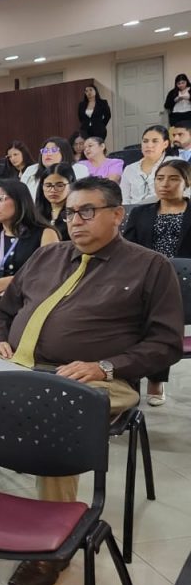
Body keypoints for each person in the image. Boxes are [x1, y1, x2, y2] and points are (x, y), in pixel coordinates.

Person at [0, 177, 183, 585]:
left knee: (58, 411)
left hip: (98, 381)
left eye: (87, 211)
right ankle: (28, 397)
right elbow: (4, 311)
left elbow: (166, 343)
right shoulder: (47, 255)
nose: (76, 220)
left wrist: (104, 366)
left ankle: (51, 548)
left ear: (117, 215)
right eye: (70, 213)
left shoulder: (149, 266)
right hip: (20, 367)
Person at [123, 159, 191, 406]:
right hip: (146, 278)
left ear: (186, 182)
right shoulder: (140, 213)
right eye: (160, 178)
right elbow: (127, 248)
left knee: (164, 328)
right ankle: (129, 377)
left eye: (173, 179)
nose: (165, 184)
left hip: (185, 283)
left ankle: (156, 379)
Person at [0, 179, 58, 300]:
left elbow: (49, 273)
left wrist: (11, 282)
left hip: (29, 299)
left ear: (20, 201)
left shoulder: (46, 233)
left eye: (0, 199)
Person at [121, 125, 174, 204]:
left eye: (155, 141)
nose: (149, 145)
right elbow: (124, 199)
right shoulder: (130, 169)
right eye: (145, 141)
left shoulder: (174, 164)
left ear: (165, 144)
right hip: (133, 211)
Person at [20, 137, 86, 198]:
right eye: (45, 150)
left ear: (65, 152)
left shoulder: (78, 169)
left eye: (54, 150)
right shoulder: (32, 170)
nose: (48, 154)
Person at [36, 164, 77, 242]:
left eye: (60, 185)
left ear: (71, 185)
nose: (53, 190)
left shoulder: (77, 214)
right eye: (48, 185)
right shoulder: (36, 214)